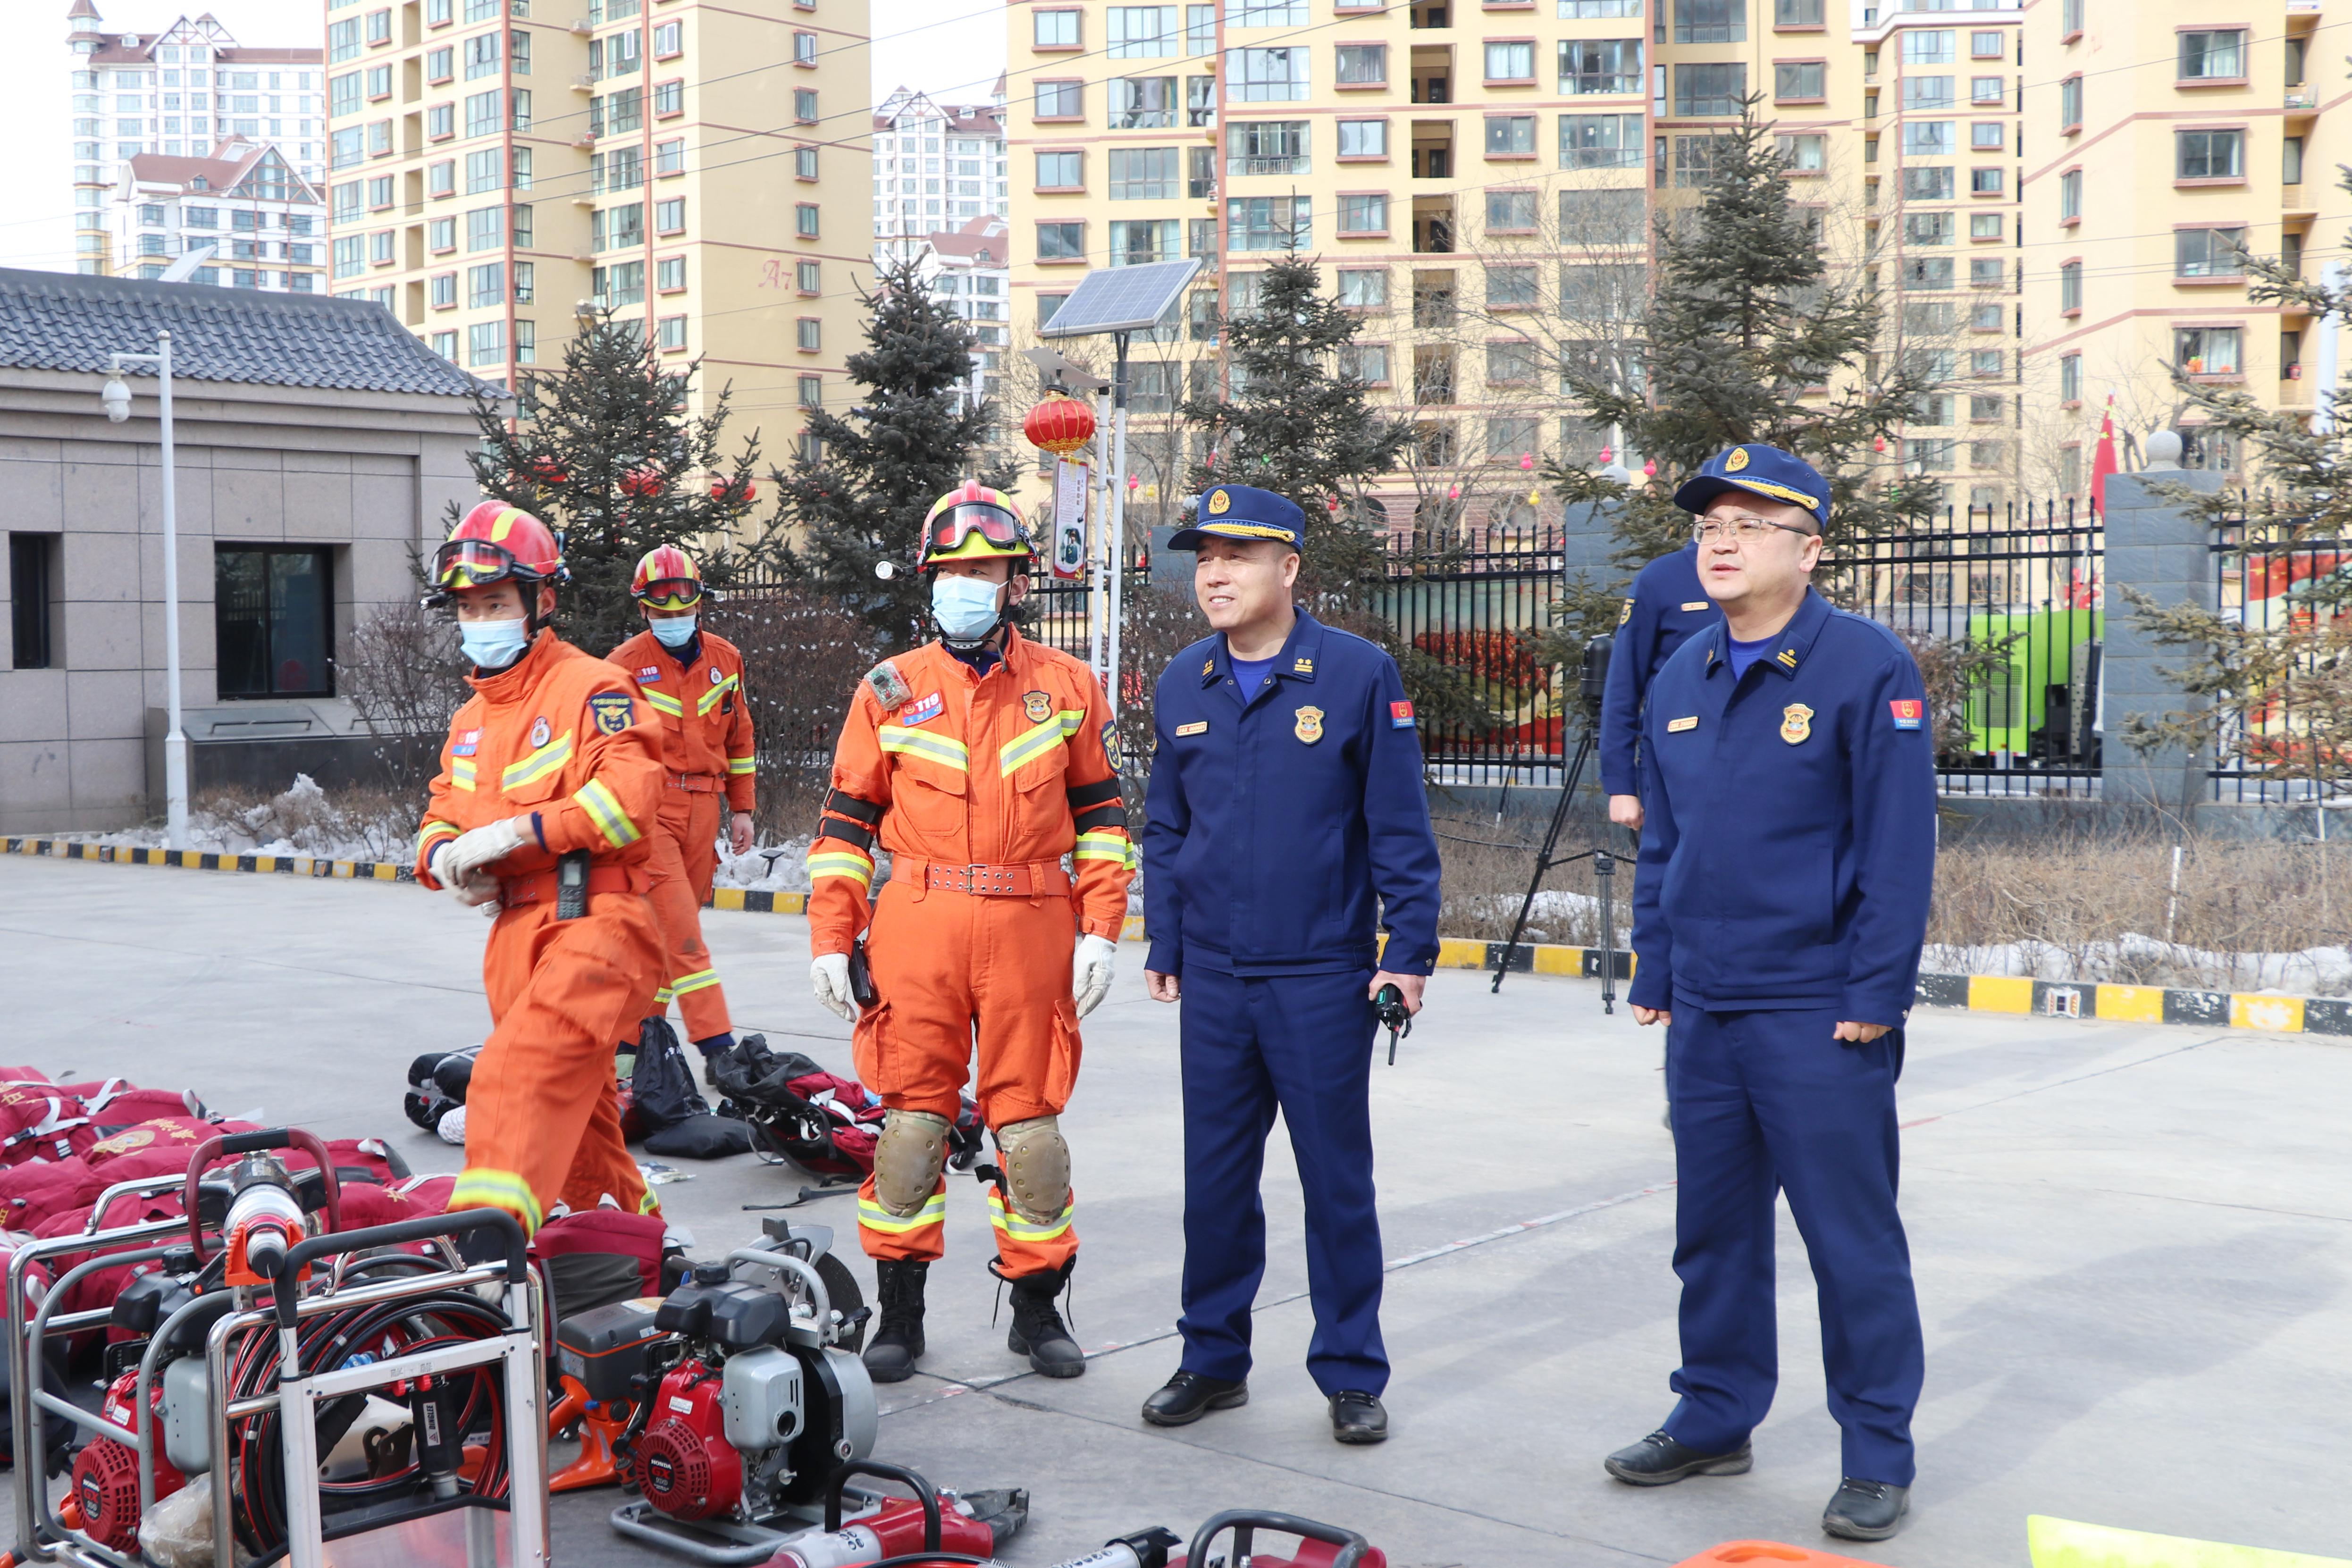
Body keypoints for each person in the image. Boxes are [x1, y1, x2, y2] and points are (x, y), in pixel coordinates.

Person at [1610, 444, 1935, 1544]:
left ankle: (1877, 1451)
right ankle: (1715, 1412)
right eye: (1710, 522)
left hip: (1818, 1007)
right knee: (1713, 1232)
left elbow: (1898, 851)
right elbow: (1665, 844)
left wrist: (1875, 993)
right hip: (1706, 1006)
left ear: (1811, 547)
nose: (1721, 538)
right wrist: (1655, 965)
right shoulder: (1681, 673)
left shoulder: (1863, 666)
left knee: (1850, 1239)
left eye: (1752, 522)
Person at [802, 481, 1133, 1384]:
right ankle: (898, 1316)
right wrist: (832, 934)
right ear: (929, 579)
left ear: (1013, 582)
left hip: (1032, 922)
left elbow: (1102, 818)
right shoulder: (889, 689)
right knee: (909, 1129)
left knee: (1029, 1135)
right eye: (950, 570)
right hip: (917, 922)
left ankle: (1035, 1310)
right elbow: (842, 826)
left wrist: (1100, 927)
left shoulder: (1067, 688)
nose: (964, 585)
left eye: (981, 569)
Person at [1137, 485, 1443, 1446]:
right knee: (1214, 1180)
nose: (1214, 573)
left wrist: (1408, 952)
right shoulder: (1182, 680)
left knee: (1333, 1180)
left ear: (1289, 568)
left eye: (1237, 555)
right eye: (1203, 557)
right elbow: (1165, 824)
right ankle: (1210, 1356)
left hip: (1319, 971)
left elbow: (1397, 825)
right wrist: (1168, 937)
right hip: (1218, 977)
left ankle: (1351, 1369)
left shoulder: (1355, 674)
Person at [413, 500, 666, 1235]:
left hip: (596, 923)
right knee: (583, 1137)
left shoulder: (594, 688)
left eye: (495, 601)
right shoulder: (472, 720)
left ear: (540, 600)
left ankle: (479, 1257)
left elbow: (627, 805)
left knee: (513, 1080)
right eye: (467, 606)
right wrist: (445, 860)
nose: (480, 618)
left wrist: (510, 836)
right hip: (516, 936)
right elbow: (438, 817)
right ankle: (638, 1251)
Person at [607, 545, 757, 1077]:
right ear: (644, 609)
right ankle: (719, 1051)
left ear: (700, 603)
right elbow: (605, 752)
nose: (674, 617)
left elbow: (740, 737)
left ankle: (632, 1049)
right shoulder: (621, 667)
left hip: (705, 808)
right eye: (661, 608)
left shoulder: (726, 658)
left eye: (683, 606)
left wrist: (741, 808)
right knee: (683, 935)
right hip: (651, 811)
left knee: (665, 939)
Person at [1599, 539, 1722, 834]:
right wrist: (1621, 786)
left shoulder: (1765, 576)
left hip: (1752, 764)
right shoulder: (1662, 577)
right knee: (1668, 875)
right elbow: (1623, 683)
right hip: (1673, 764)